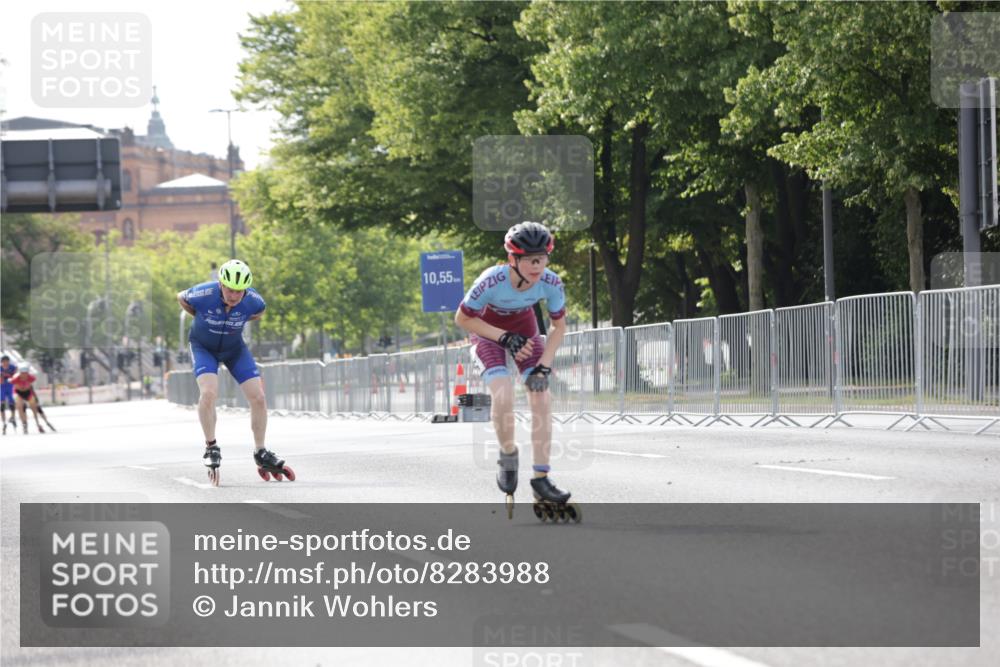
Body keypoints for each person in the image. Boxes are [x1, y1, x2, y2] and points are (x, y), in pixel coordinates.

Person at [454, 222, 578, 521]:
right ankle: (508, 454)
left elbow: (559, 327)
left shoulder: (551, 282)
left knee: (541, 397)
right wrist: (503, 337)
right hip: (487, 333)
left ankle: (541, 478)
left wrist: (544, 367)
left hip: (526, 330)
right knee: (503, 393)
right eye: (530, 260)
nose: (537, 266)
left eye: (542, 258)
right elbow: (462, 318)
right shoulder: (491, 280)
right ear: (513, 259)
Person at [176, 258, 294, 486]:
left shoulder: (252, 301)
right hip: (203, 347)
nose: (234, 296)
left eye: (240, 292)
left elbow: (259, 311)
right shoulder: (203, 293)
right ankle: (211, 446)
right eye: (230, 290)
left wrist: (236, 320)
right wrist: (198, 315)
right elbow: (181, 296)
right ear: (221, 284)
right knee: (209, 393)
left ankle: (261, 451)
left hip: (234, 349)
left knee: (258, 397)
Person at [10, 363, 52, 434]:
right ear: (20, 373)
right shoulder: (15, 378)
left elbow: (31, 387)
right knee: (20, 407)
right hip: (19, 393)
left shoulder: (31, 377)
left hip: (28, 393)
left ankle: (38, 423)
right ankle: (24, 424)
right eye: (22, 374)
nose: (24, 375)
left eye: (26, 373)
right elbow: (13, 385)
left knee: (35, 407)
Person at [1, 355, 17, 434]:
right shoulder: (0, 368)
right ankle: (3, 422)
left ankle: (13, 417)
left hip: (10, 386)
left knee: (11, 402)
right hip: (2, 387)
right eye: (3, 361)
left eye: (6, 361)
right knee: (2, 405)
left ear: (8, 361)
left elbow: (16, 375)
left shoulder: (13, 367)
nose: (5, 363)